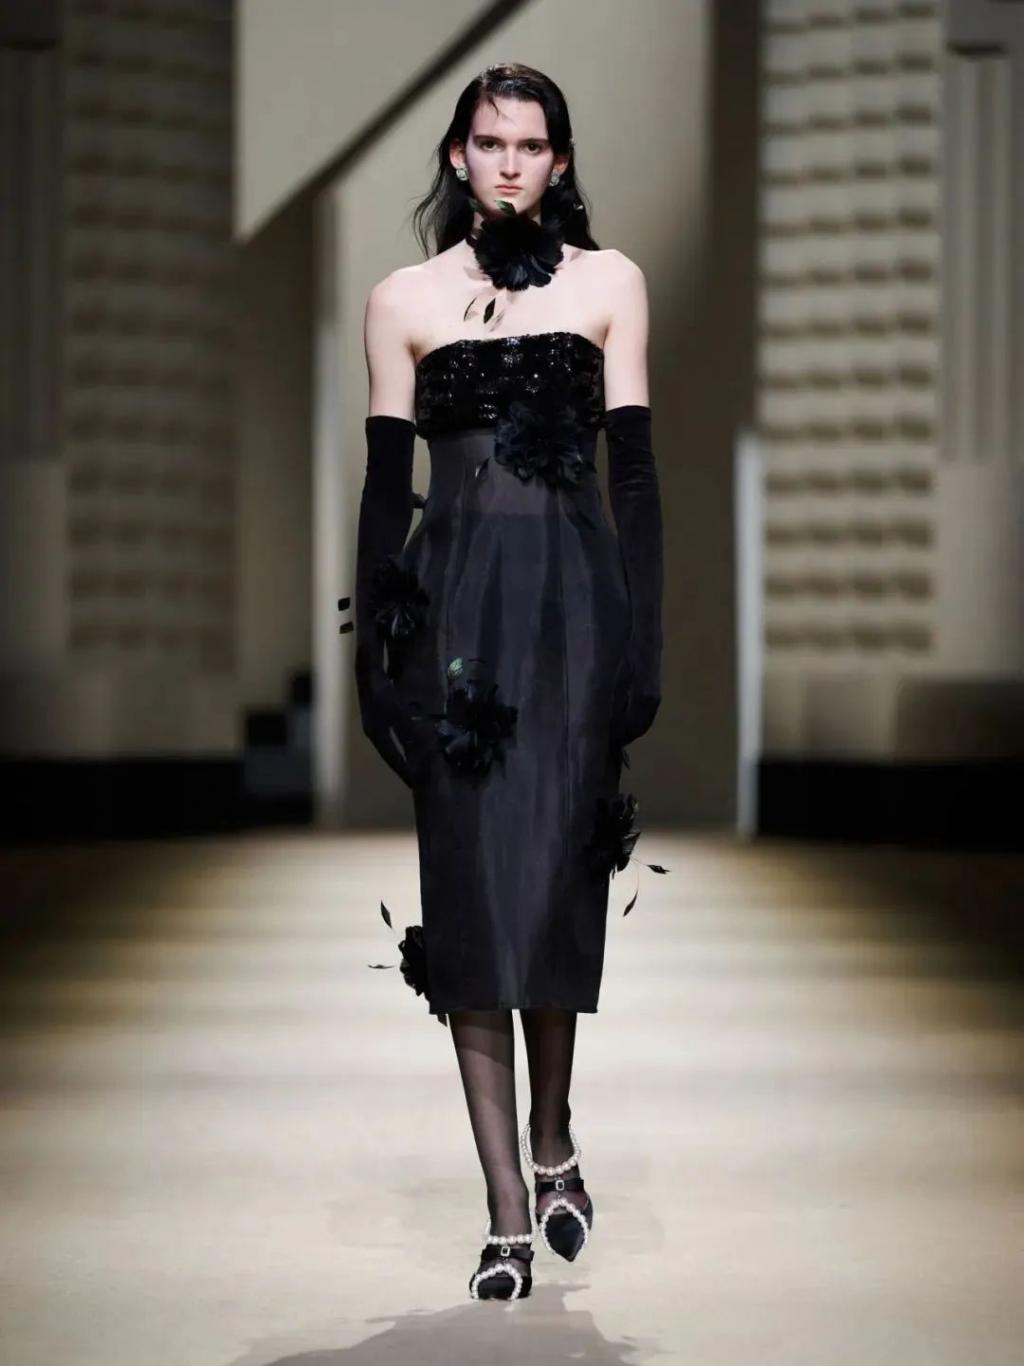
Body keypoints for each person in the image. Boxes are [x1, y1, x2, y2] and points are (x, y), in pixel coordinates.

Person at [351, 62, 663, 1301]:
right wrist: (376, 658)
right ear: (458, 154)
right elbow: (387, 494)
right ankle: (504, 1213)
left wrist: (643, 640)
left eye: (532, 145)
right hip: (454, 620)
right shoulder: (402, 301)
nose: (511, 163)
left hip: (573, 616)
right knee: (473, 903)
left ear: (560, 160)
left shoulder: (609, 283)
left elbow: (633, 481)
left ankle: (552, 1136)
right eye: (490, 143)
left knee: (551, 890)